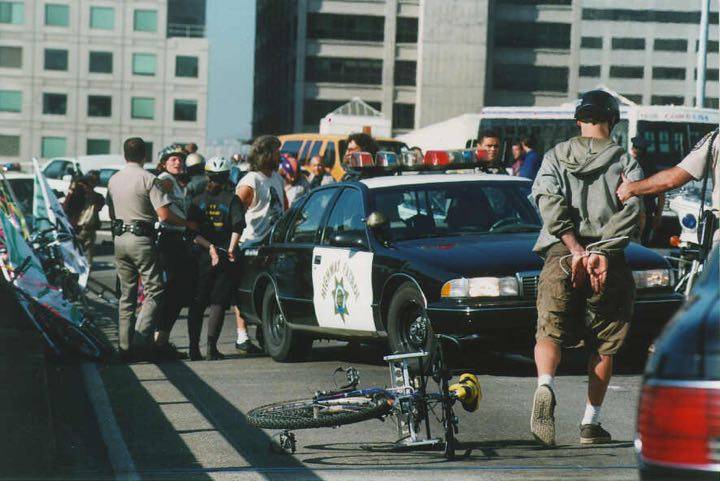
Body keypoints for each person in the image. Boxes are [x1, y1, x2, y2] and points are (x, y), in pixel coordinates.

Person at [530, 90, 643, 446]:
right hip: (609, 262)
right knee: (604, 343)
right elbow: (633, 211)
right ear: (612, 121)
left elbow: (547, 200)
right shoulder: (626, 161)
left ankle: (545, 384)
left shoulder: (555, 156)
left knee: (549, 332)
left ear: (579, 119)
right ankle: (591, 423)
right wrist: (602, 251)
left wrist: (576, 248)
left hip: (561, 256)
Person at [107, 138, 198, 361]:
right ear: (144, 155)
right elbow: (164, 215)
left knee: (126, 295)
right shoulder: (149, 179)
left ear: (124, 155)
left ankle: (125, 347)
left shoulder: (113, 179)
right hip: (141, 239)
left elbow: (110, 211)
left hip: (119, 238)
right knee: (155, 291)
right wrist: (188, 224)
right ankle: (140, 341)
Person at [186, 157, 252, 360]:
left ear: (207, 175)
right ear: (227, 177)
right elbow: (238, 225)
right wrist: (231, 248)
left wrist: (209, 247)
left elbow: (191, 232)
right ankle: (211, 349)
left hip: (200, 256)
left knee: (197, 302)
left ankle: (193, 349)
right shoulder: (232, 199)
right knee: (217, 302)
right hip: (224, 256)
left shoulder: (197, 200)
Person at [229, 135, 286, 352]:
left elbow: (284, 207)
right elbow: (236, 210)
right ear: (266, 154)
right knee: (244, 290)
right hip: (250, 244)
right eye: (277, 152)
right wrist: (234, 242)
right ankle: (242, 336)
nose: (280, 156)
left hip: (273, 244)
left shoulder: (278, 179)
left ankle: (264, 331)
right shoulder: (250, 180)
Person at [618, 128, 719, 245]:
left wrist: (630, 188)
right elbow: (663, 192)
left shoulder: (716, 138)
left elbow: (670, 181)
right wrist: (659, 214)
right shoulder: (651, 166)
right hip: (648, 212)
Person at [628, 137, 665, 245]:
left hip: (631, 213)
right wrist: (658, 216)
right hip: (648, 213)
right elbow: (661, 194)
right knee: (643, 244)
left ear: (633, 150)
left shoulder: (630, 167)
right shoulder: (652, 168)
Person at [63, 174, 104, 269]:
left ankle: (88, 268)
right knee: (76, 252)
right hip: (78, 228)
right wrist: (72, 190)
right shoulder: (77, 196)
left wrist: (90, 193)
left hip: (90, 228)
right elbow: (66, 207)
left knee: (89, 255)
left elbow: (100, 203)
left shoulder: (96, 197)